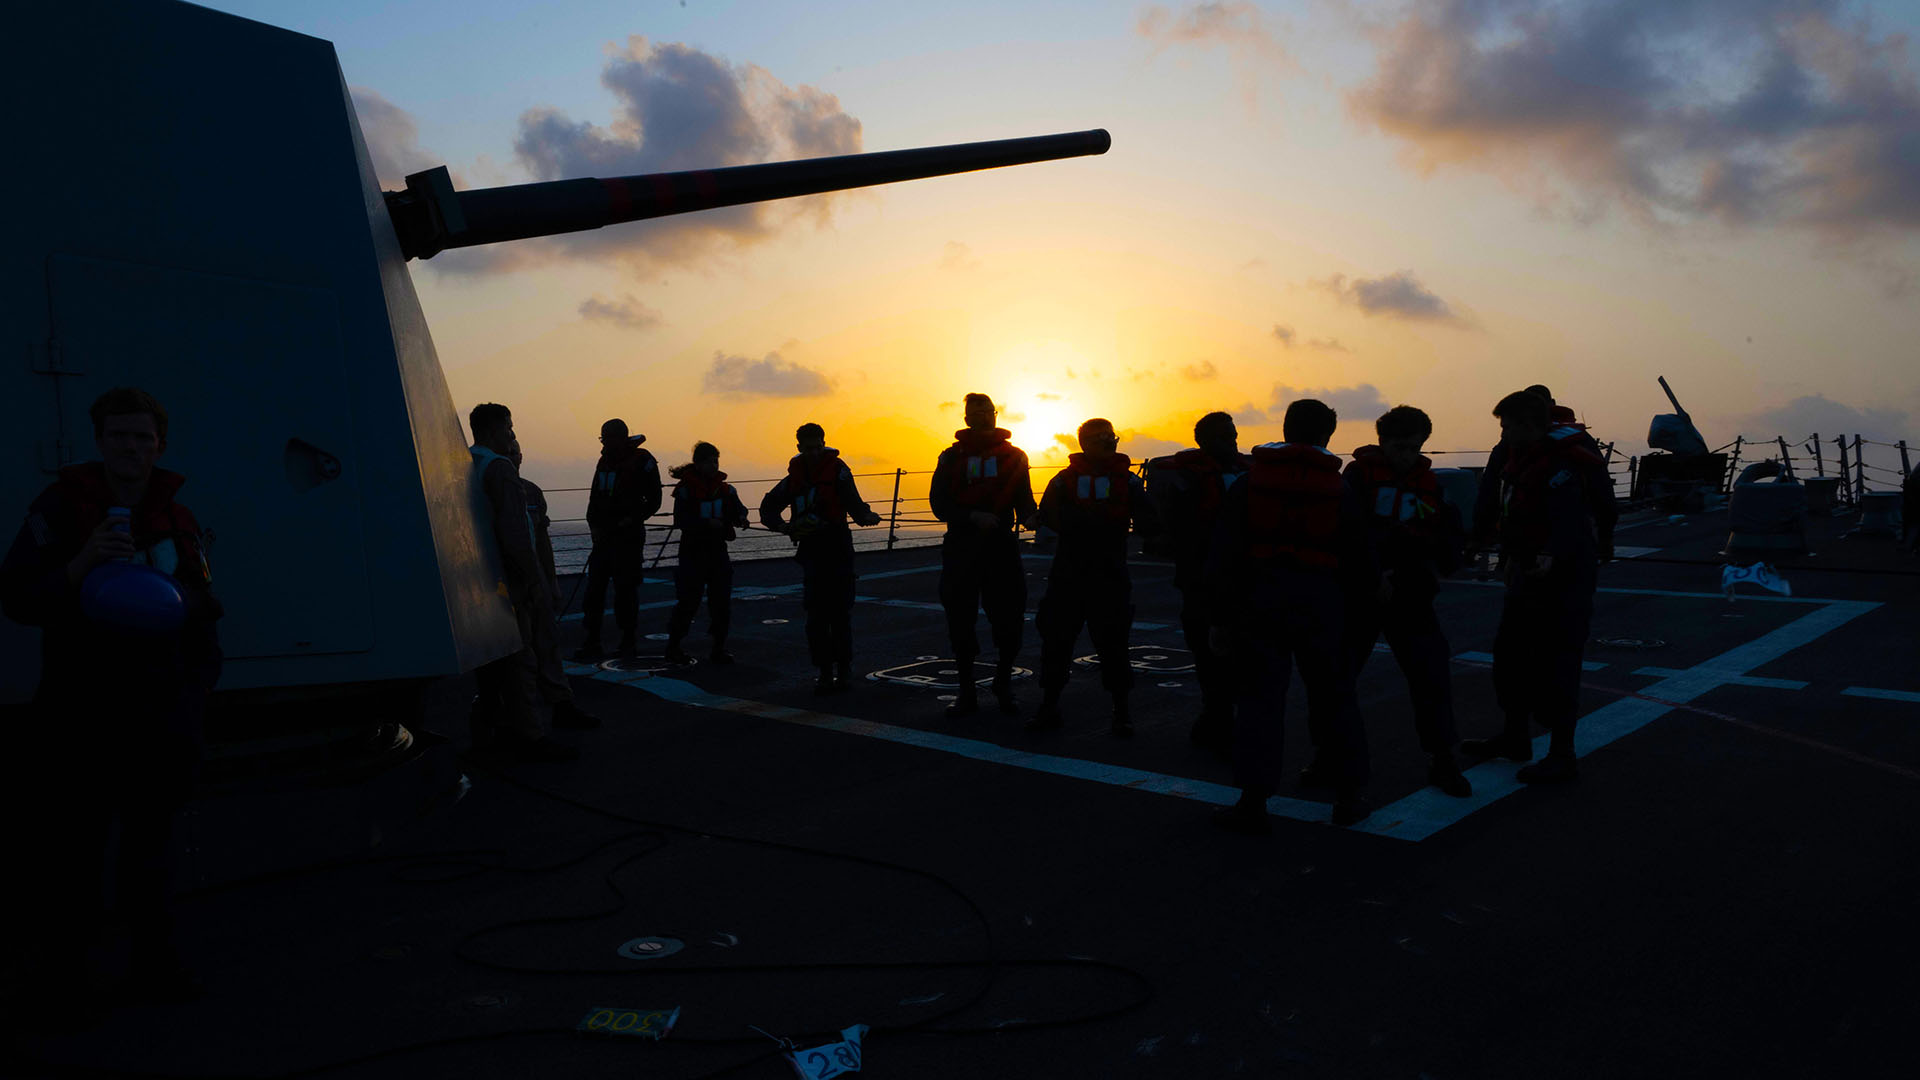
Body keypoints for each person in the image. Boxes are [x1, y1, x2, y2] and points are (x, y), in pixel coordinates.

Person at [1, 387, 222, 1004]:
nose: (131, 447)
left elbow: (206, 604)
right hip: (81, 710)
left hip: (160, 710)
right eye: (119, 435)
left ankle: (154, 969)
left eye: (142, 437)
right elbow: (17, 597)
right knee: (75, 852)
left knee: (151, 850)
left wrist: (197, 685)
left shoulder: (177, 520)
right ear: (100, 441)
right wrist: (82, 565)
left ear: (160, 445)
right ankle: (65, 982)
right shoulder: (62, 509)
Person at [1208, 399, 1373, 832]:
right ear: (1328, 437)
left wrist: (1221, 617)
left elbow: (1225, 553)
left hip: (1261, 602)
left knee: (1260, 702)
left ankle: (1253, 798)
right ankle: (1349, 794)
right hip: (1321, 603)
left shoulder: (1249, 482)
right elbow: (1358, 559)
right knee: (1336, 700)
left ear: (1284, 428)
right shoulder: (1339, 488)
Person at [1462, 390, 1608, 783]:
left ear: (1529, 423)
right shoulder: (1516, 454)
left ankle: (1562, 753)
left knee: (1558, 662)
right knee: (1509, 656)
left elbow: (1572, 515)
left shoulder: (1563, 459)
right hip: (1526, 570)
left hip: (1562, 578)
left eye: (1507, 425)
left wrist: (1552, 553)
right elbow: (1501, 500)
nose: (1503, 432)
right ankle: (1515, 737)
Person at [1341, 406, 1471, 798]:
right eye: (1399, 447)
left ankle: (1443, 759)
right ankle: (1331, 755)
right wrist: (1371, 574)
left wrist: (1444, 559)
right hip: (1361, 595)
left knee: (1431, 677)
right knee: (1337, 680)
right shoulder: (1358, 477)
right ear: (1382, 442)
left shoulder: (1429, 484)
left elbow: (1446, 534)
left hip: (1412, 595)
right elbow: (1346, 531)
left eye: (1413, 448)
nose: (1406, 455)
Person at [1029, 418, 1160, 737]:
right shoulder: (1117, 481)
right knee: (1064, 644)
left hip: (1090, 574)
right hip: (1086, 574)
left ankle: (1116, 711)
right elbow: (1149, 522)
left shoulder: (1079, 481)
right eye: (1103, 437)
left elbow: (1045, 521)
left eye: (1110, 437)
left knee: (1109, 645)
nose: (1109, 441)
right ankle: (1058, 707)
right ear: (1085, 442)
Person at [468, 404, 576, 763]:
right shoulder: (499, 469)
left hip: (478, 579)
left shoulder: (469, 464)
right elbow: (516, 534)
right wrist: (534, 581)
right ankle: (530, 736)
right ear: (494, 430)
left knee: (493, 662)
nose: (512, 436)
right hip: (508, 580)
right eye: (509, 429)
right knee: (522, 658)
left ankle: (491, 728)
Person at [929, 394, 1035, 718]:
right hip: (962, 549)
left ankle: (1003, 683)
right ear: (965, 420)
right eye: (974, 414)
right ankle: (966, 691)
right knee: (960, 620)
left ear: (995, 414)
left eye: (985, 412)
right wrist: (972, 517)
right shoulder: (949, 458)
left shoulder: (1015, 456)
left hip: (1001, 548)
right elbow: (939, 505)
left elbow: (1025, 501)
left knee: (1009, 618)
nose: (981, 418)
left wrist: (1036, 519)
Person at [1150, 410, 1249, 751]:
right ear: (1206, 441)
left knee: (1227, 652)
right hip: (1202, 578)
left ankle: (1217, 717)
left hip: (1233, 579)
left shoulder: (1241, 472)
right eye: (1226, 436)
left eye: (1234, 435)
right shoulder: (1187, 479)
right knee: (1208, 651)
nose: (1233, 442)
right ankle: (1218, 716)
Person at [759, 423, 882, 694]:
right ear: (800, 448)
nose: (815, 452)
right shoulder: (793, 479)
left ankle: (843, 670)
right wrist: (782, 527)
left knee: (839, 614)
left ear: (823, 443)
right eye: (809, 448)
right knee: (816, 616)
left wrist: (867, 517)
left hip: (837, 547)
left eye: (818, 446)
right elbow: (768, 508)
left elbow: (854, 503)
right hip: (812, 551)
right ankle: (825, 671)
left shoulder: (838, 471)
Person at [510, 439, 598, 730]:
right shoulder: (488, 491)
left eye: (516, 451)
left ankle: (561, 705)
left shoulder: (532, 491)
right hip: (510, 588)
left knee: (548, 646)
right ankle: (526, 721)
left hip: (537, 584)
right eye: (508, 450)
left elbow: (543, 541)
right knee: (519, 657)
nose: (514, 456)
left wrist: (552, 582)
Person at [1473, 385, 1614, 560]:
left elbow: (1489, 491)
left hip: (1530, 549)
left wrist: (1478, 536)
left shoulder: (1506, 447)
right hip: (1574, 549)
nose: (1504, 433)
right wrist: (1606, 537)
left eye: (1506, 427)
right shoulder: (1580, 441)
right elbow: (1603, 492)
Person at [577, 418, 662, 660]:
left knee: (625, 592)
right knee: (594, 592)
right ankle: (592, 641)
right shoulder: (604, 461)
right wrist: (593, 525)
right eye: (603, 437)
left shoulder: (643, 461)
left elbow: (654, 500)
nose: (605, 442)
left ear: (622, 437)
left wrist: (631, 519)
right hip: (603, 538)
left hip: (628, 537)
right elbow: (594, 497)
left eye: (608, 437)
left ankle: (627, 642)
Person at [664, 442, 750, 665]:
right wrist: (706, 523)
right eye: (709, 461)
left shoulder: (726, 490)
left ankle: (718, 648)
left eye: (716, 460)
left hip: (717, 551)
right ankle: (674, 647)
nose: (713, 465)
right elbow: (681, 520)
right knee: (688, 602)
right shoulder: (685, 490)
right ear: (698, 463)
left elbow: (739, 509)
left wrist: (741, 518)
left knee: (721, 602)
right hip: (693, 552)